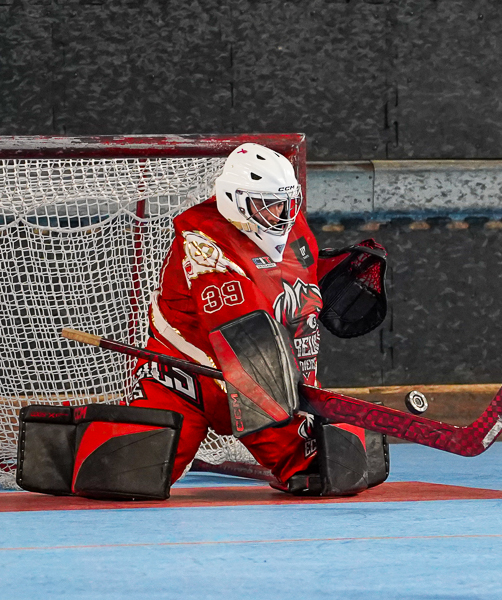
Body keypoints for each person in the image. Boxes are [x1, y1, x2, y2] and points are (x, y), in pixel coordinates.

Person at [16, 142, 388, 502]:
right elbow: (242, 330)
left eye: (288, 204)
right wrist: (295, 395)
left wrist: (330, 272)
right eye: (268, 206)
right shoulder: (203, 237)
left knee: (330, 471)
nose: (281, 217)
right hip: (188, 381)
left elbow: (286, 283)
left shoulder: (292, 226)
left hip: (263, 385)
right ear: (234, 200)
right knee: (122, 474)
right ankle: (60, 442)